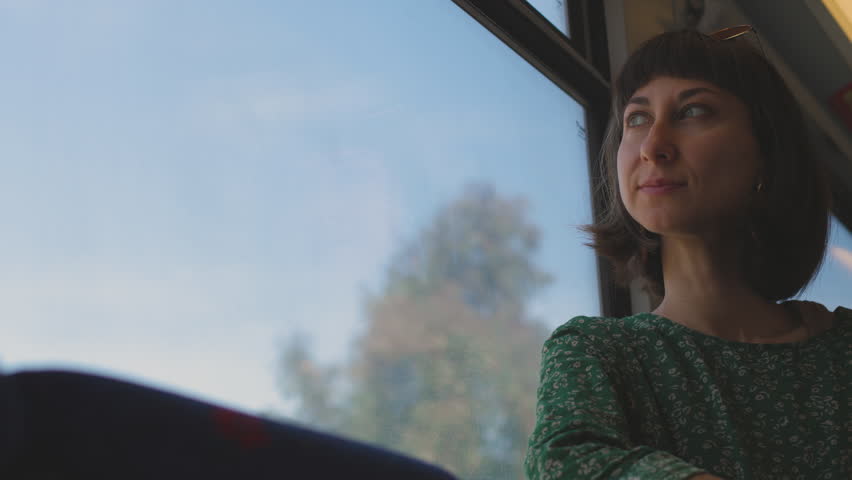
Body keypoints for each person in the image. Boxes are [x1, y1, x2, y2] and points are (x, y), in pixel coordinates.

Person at [524, 27, 850, 479]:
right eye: (636, 119)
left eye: (693, 111)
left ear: (766, 154)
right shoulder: (597, 352)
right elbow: (564, 463)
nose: (653, 147)